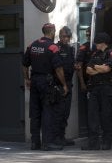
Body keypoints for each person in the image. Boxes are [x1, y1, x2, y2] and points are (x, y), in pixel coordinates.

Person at [22, 23, 68, 151]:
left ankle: (35, 142)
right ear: (52, 32)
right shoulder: (52, 47)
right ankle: (47, 143)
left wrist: (27, 79)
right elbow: (58, 68)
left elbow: (24, 64)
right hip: (46, 83)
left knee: (35, 112)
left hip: (34, 81)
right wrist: (64, 84)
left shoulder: (32, 45)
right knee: (48, 111)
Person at [81, 32, 112, 151]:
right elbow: (88, 70)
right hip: (94, 88)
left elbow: (107, 68)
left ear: (102, 43)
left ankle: (106, 142)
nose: (95, 44)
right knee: (92, 116)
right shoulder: (95, 53)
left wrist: (97, 67)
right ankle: (93, 143)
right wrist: (100, 68)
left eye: (97, 42)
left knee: (106, 116)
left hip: (107, 88)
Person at [56, 26, 75, 146]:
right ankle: (56, 138)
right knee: (58, 112)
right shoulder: (56, 48)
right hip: (58, 85)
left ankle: (62, 137)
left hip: (68, 83)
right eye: (63, 36)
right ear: (59, 36)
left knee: (65, 112)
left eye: (68, 37)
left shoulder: (70, 49)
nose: (66, 39)